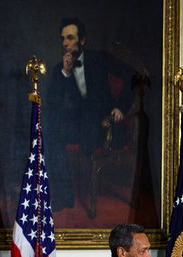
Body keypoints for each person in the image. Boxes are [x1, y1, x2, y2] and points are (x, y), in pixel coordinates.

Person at [44, 17, 133, 211]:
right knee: (50, 133)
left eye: (70, 38)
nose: (65, 43)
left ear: (82, 40)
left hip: (105, 124)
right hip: (82, 125)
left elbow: (132, 75)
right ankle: (66, 197)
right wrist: (66, 73)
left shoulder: (99, 58)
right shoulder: (60, 68)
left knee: (72, 127)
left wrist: (121, 107)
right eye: (63, 39)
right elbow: (53, 103)